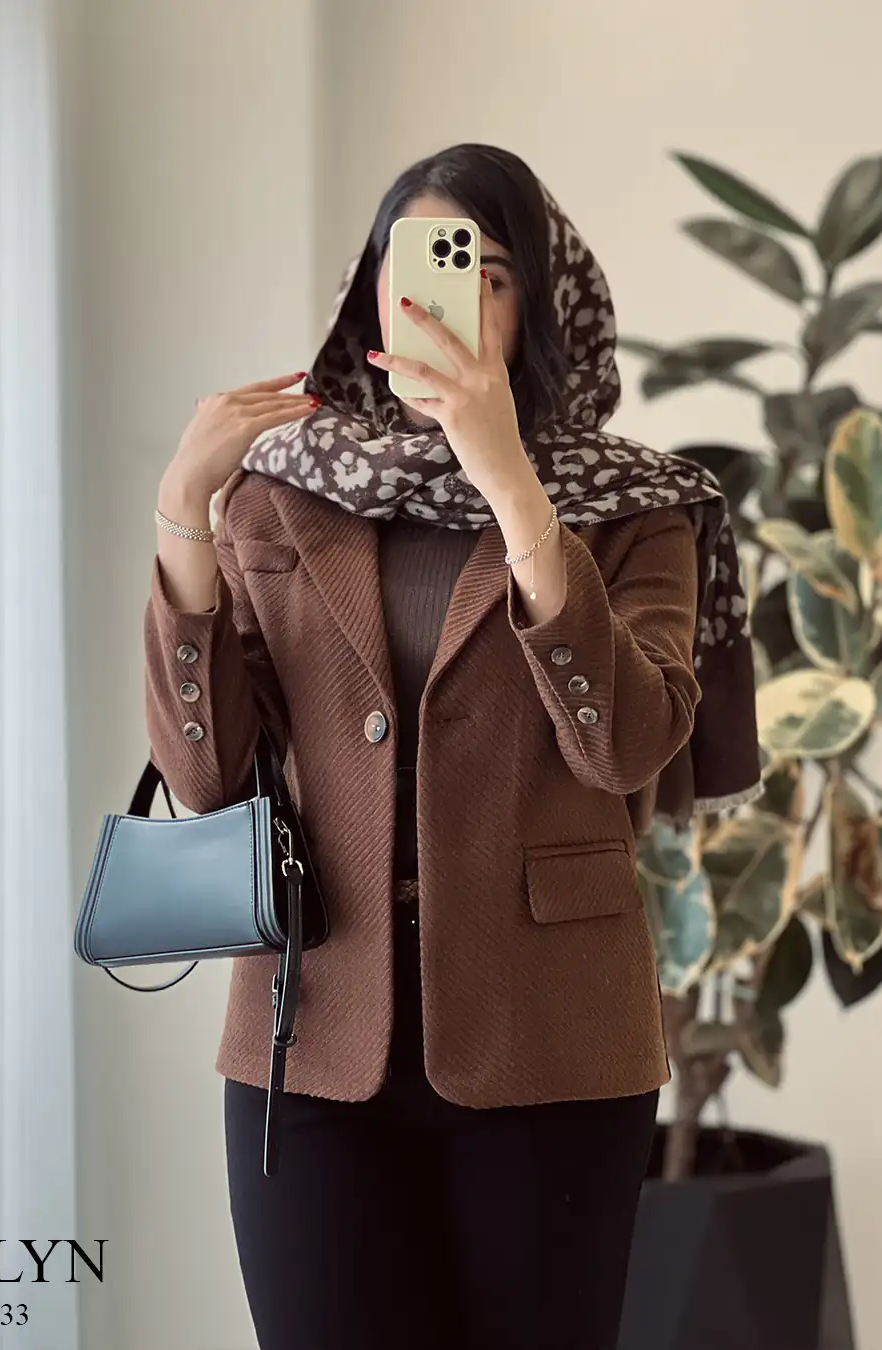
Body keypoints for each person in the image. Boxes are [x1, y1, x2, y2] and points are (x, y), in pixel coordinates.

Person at [143, 143, 762, 1350]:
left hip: (554, 1045)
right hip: (310, 1039)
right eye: (418, 262)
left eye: (487, 269)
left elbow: (626, 747)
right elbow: (206, 778)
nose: (447, 295)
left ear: (542, 306)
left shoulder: (640, 506)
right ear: (371, 291)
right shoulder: (280, 492)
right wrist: (182, 518)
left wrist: (515, 486)